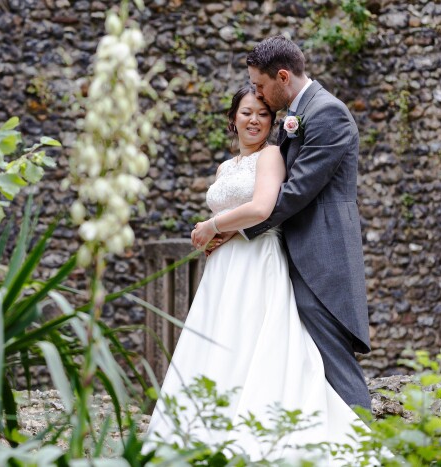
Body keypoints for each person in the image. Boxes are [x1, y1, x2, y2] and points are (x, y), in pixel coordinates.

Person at [145, 83, 366, 462]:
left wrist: (213, 226)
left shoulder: (272, 157)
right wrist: (217, 234)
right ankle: (205, 431)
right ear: (233, 118)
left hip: (257, 258)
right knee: (219, 342)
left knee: (255, 338)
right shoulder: (224, 167)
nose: (255, 120)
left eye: (263, 114)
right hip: (223, 267)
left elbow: (263, 207)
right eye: (247, 112)